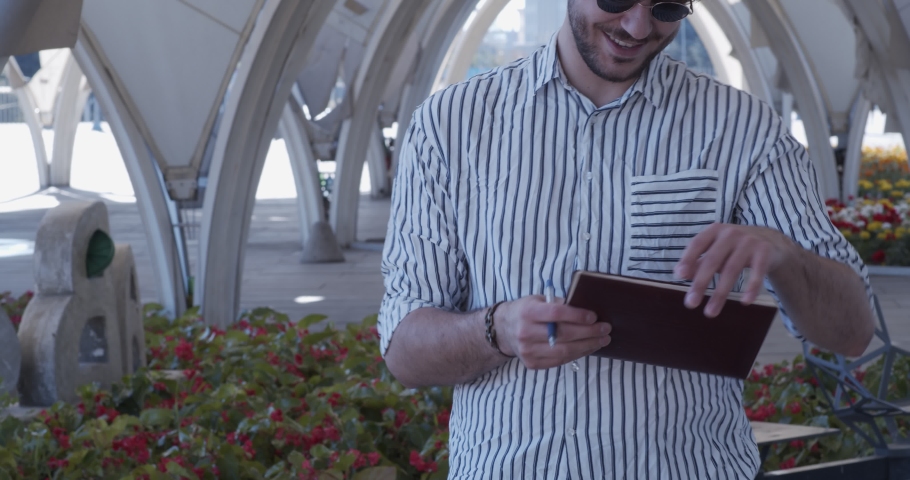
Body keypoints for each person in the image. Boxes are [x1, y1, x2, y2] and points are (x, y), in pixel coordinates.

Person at [378, 0, 876, 478]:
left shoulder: (742, 129)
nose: (638, 27)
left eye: (667, 8)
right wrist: (497, 330)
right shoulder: (451, 125)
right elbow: (404, 351)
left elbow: (852, 333)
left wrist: (785, 254)